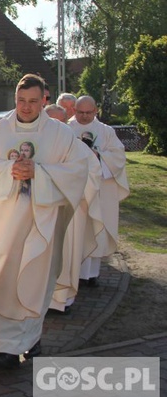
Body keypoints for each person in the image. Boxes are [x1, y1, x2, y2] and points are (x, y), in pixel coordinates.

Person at [0, 74, 89, 368]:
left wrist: (39, 173)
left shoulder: (59, 134)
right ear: (14, 98)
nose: (27, 107)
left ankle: (22, 342)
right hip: (0, 225)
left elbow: (77, 171)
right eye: (21, 101)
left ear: (44, 99)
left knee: (31, 282)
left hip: (39, 223)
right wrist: (9, 170)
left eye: (33, 101)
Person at [44, 104, 104, 315]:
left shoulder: (78, 148)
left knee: (65, 257)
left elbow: (93, 174)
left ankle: (61, 300)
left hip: (70, 212)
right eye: (51, 122)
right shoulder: (38, 145)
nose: (56, 127)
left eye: (60, 122)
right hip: (40, 213)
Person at [68, 96, 129, 286]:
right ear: (74, 110)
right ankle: (72, 275)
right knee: (74, 233)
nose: (84, 116)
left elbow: (118, 157)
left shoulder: (106, 131)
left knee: (95, 230)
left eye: (88, 112)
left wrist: (98, 156)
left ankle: (91, 274)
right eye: (80, 112)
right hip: (74, 192)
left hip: (99, 191)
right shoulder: (65, 130)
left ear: (95, 111)